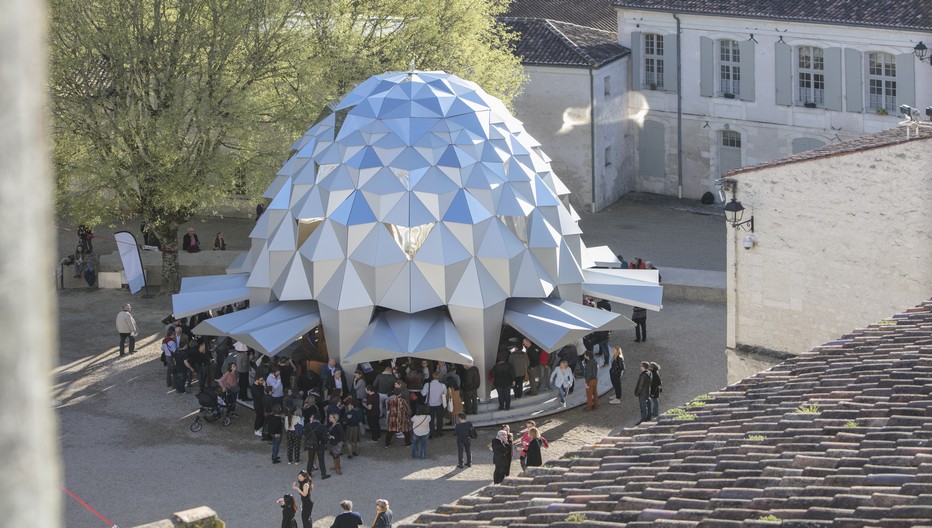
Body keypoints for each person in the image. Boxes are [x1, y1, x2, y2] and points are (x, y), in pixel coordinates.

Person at [304, 413, 331, 480]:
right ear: (320, 419)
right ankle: (323, 474)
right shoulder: (322, 426)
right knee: (321, 460)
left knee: (310, 460)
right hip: (320, 444)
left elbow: (305, 434)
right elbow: (325, 437)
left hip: (311, 444)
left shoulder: (308, 425)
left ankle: (309, 474)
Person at [421, 372, 446, 438]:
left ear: (432, 377)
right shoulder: (442, 385)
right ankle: (439, 432)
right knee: (439, 418)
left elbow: (423, 394)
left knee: (431, 419)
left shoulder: (427, 384)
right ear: (439, 377)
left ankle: (432, 433)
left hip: (430, 404)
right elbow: (445, 394)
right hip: (439, 404)